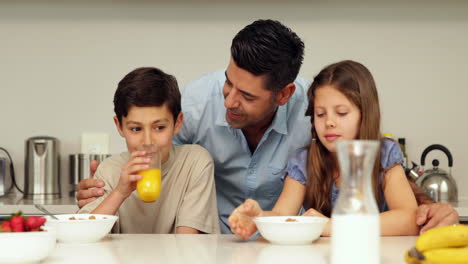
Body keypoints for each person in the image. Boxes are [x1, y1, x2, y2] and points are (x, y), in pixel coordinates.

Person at [76, 19, 459, 234]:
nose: (229, 100)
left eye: (246, 95)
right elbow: (161, 155)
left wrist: (428, 207)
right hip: (218, 244)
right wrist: (105, 189)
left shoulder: (316, 109)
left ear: (284, 94)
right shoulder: (196, 102)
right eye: (228, 82)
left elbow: (378, 167)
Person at [229, 60, 420, 238]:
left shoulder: (384, 155)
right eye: (320, 114)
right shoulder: (303, 161)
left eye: (341, 113)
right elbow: (282, 215)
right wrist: (259, 219)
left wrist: (331, 226)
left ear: (366, 115)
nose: (329, 122)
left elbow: (409, 218)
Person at [78, 67, 220, 234]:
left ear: (178, 122)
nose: (147, 142)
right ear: (119, 126)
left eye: (159, 127)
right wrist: (120, 192)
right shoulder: (109, 170)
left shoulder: (195, 162)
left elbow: (187, 244)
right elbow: (84, 235)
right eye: (136, 129)